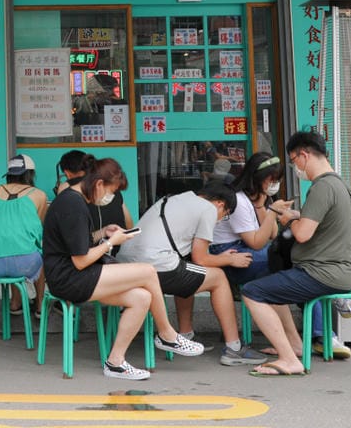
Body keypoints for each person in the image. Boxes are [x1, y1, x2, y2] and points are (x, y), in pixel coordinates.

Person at [43, 157, 204, 381]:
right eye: (111, 191)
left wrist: (103, 234)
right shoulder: (73, 205)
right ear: (99, 184)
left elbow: (77, 243)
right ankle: (167, 334)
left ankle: (116, 362)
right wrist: (111, 243)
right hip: (69, 278)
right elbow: (80, 260)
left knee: (141, 297)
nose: (109, 198)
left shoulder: (73, 200)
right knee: (147, 271)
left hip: (77, 274)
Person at [241, 131, 351, 377]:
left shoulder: (321, 187)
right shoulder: (340, 185)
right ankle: (296, 345)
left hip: (318, 273)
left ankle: (289, 359)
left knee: (252, 292)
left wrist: (287, 219)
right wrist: (298, 216)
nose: (296, 167)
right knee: (273, 283)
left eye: (294, 160)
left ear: (303, 155)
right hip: (339, 271)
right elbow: (322, 224)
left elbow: (304, 234)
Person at [116, 182, 266, 366]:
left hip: (125, 266)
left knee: (187, 271)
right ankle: (234, 349)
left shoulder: (170, 198)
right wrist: (230, 260)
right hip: (157, 266)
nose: (221, 219)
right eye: (225, 215)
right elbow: (201, 258)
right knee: (218, 277)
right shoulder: (208, 209)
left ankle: (186, 334)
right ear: (219, 204)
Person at [0, 153, 48, 315]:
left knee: (10, 244)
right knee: (35, 251)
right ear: (30, 174)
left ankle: (15, 302)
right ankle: (40, 305)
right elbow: (39, 229)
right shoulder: (39, 195)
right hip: (24, 263)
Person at [210, 152, 283, 289]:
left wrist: (261, 206)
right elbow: (256, 243)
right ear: (258, 178)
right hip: (229, 254)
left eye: (277, 180)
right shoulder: (239, 200)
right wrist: (273, 212)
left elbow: (273, 234)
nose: (275, 184)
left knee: (291, 260)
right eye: (272, 180)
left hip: (242, 249)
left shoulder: (258, 197)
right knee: (288, 259)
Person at [54, 150, 134, 252]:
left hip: (103, 249)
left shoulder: (66, 188)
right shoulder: (72, 193)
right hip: (104, 249)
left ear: (67, 173)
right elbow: (129, 225)